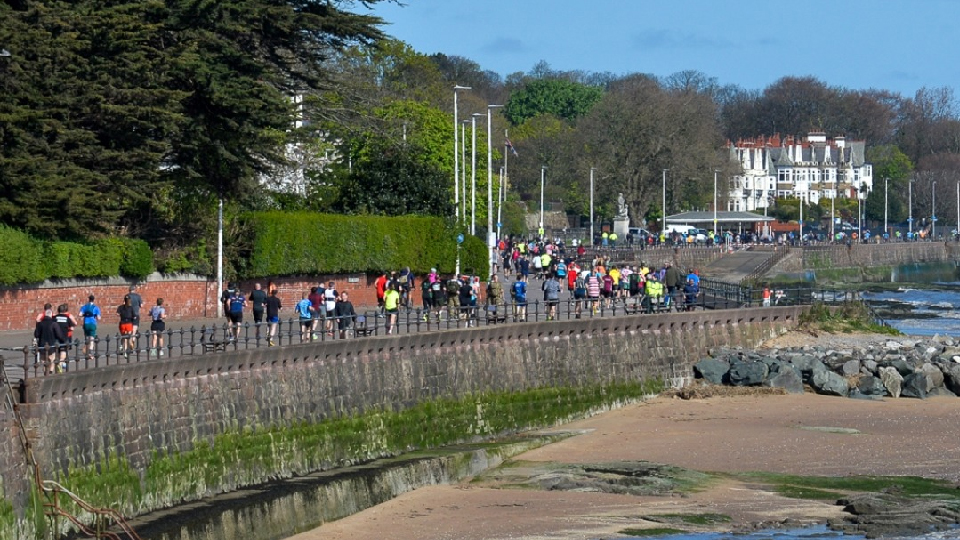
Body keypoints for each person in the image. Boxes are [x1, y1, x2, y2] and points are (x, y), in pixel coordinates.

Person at [34, 308, 65, 375]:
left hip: (42, 346)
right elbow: (59, 335)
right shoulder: (54, 324)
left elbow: (36, 335)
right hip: (51, 345)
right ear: (51, 315)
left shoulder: (40, 324)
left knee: (44, 361)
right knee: (52, 360)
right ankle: (50, 373)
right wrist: (63, 340)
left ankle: (45, 374)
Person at [54, 304, 78, 371]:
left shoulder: (55, 318)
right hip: (65, 336)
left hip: (56, 337)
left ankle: (58, 363)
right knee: (63, 350)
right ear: (65, 310)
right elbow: (72, 326)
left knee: (57, 350)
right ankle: (60, 363)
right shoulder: (66, 318)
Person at [79, 295, 101, 360]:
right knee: (92, 339)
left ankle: (86, 349)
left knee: (86, 338)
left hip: (86, 324)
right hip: (92, 324)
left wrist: (85, 314)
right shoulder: (96, 308)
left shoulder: (84, 307)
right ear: (93, 300)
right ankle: (90, 353)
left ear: (88, 299)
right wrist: (95, 316)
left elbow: (79, 314)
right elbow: (99, 318)